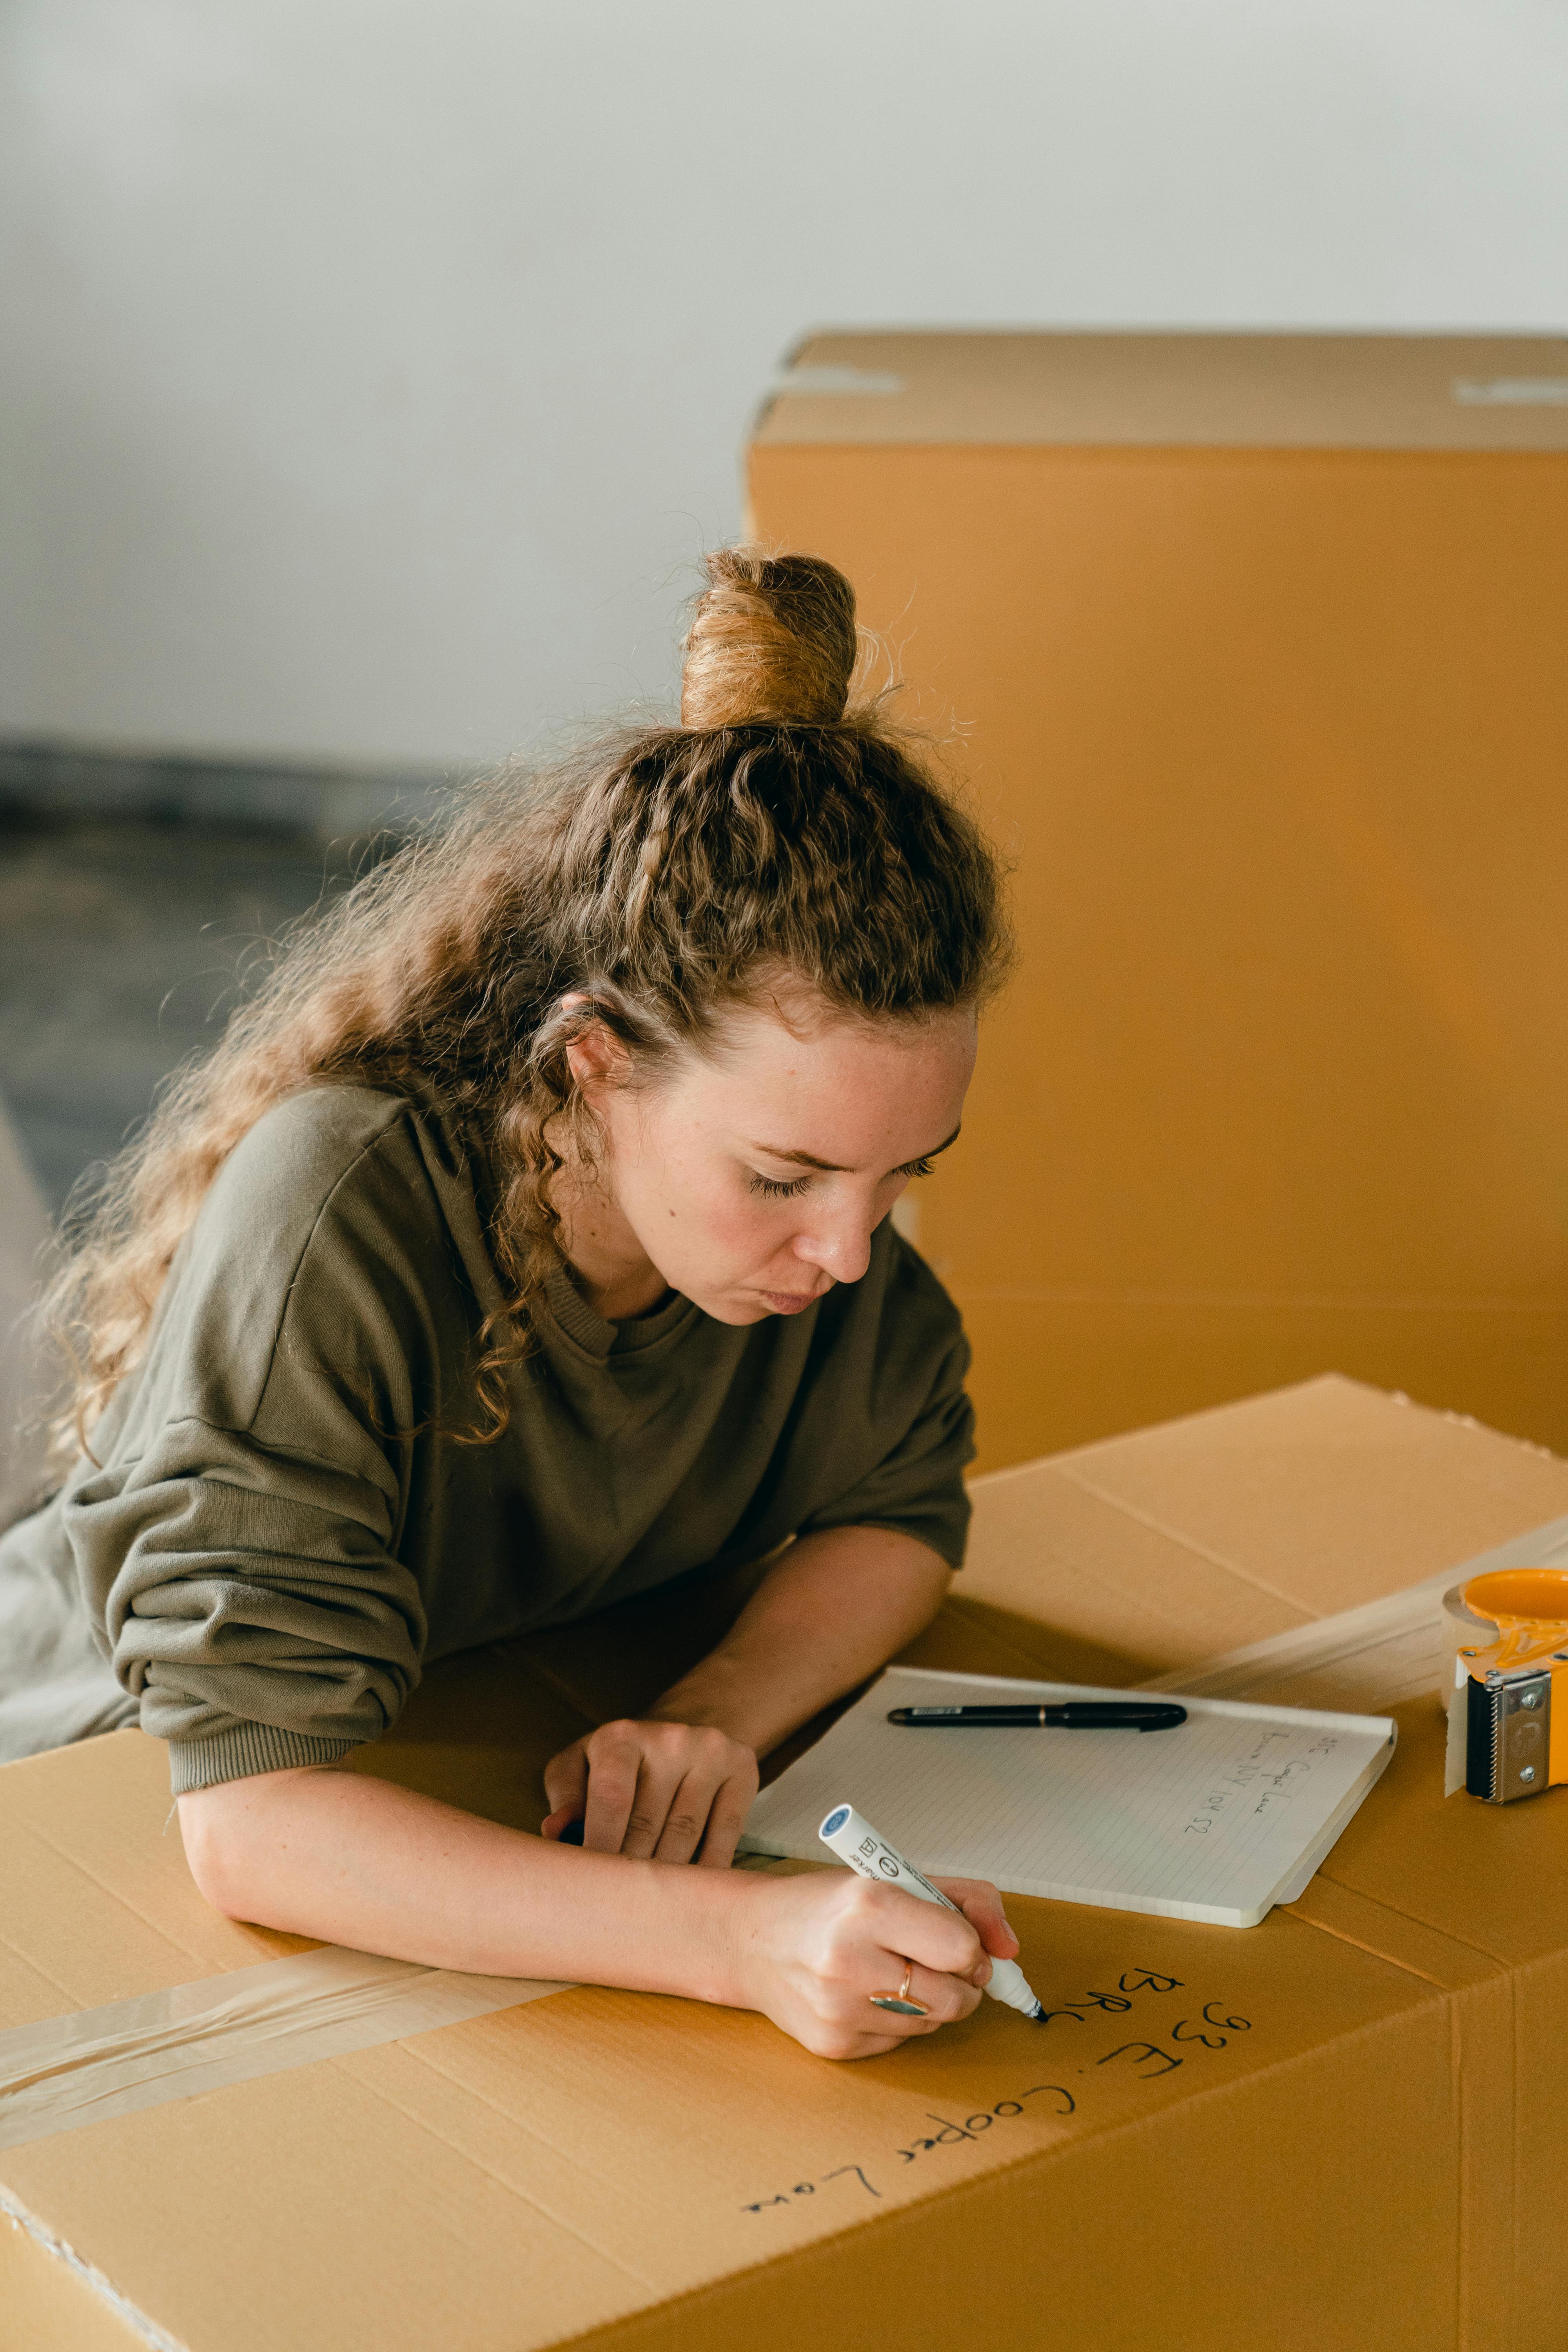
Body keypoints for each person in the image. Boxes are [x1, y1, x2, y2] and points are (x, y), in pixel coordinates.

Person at [0, 550, 1020, 2061]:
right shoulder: (342, 1208)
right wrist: (746, 1940)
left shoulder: (807, 1252)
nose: (852, 1254)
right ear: (597, 1065)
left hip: (441, 1757)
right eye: (787, 1174)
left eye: (901, 1173)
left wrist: (719, 1714)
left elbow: (903, 1512)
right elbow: (252, 1825)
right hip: (76, 1801)